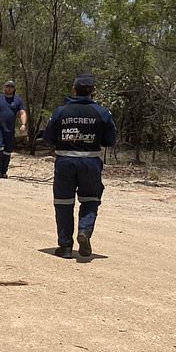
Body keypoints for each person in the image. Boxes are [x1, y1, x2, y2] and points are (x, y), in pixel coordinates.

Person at [43, 74, 117, 259]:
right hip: (91, 162)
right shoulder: (102, 112)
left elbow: (48, 138)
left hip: (65, 162)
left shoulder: (61, 111)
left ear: (74, 89)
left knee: (63, 203)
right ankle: (84, 231)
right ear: (93, 92)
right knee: (91, 200)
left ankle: (66, 246)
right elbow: (110, 140)